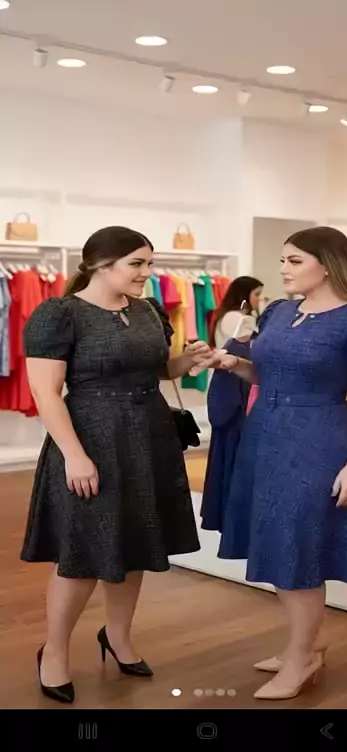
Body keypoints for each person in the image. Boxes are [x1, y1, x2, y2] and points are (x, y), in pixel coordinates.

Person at [20, 226, 212, 704]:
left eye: (149, 263)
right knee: (81, 555)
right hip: (90, 440)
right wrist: (74, 455)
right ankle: (55, 652)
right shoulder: (60, 315)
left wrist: (185, 362)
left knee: (137, 543)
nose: (147, 273)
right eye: (137, 264)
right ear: (100, 265)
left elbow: (156, 370)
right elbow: (45, 392)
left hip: (149, 437)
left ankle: (119, 637)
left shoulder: (147, 310)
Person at [212, 227, 347, 701]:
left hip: (319, 439)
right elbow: (269, 373)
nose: (283, 269)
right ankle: (305, 646)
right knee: (279, 546)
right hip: (264, 436)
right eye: (283, 260)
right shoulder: (279, 311)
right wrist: (236, 365)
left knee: (299, 551)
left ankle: (301, 658)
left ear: (328, 264)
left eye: (294, 261)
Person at [209, 276, 263, 349]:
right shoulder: (234, 317)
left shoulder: (232, 315)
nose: (260, 298)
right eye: (257, 294)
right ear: (243, 295)